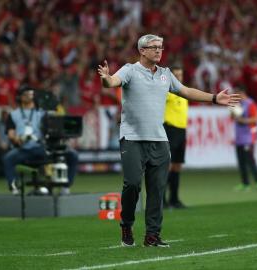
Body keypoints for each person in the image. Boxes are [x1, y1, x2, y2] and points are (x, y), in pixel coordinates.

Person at [97, 34, 240, 248]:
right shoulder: (130, 70)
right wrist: (106, 78)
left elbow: (185, 91)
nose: (158, 51)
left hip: (159, 140)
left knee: (157, 189)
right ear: (142, 50)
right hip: (133, 138)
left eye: (161, 47)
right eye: (154, 47)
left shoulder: (166, 75)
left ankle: (152, 236)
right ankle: (126, 224)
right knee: (133, 184)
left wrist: (213, 98)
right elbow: (112, 82)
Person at [2, 86, 79, 195]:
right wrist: (17, 139)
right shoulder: (14, 115)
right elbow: (10, 134)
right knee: (8, 158)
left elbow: (54, 128)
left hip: (42, 148)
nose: (29, 95)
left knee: (72, 155)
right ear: (20, 97)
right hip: (24, 150)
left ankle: (65, 186)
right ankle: (14, 188)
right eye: (26, 93)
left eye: (31, 93)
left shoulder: (43, 113)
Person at [163, 63, 188, 209]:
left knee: (177, 166)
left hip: (181, 131)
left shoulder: (183, 91)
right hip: (170, 130)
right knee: (166, 166)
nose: (179, 77)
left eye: (180, 75)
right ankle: (161, 200)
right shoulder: (167, 90)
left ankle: (174, 199)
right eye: (176, 75)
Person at [231, 86, 257, 191]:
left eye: (237, 93)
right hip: (239, 137)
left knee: (250, 161)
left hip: (248, 137)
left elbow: (256, 118)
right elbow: (233, 118)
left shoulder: (250, 104)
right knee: (241, 162)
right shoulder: (237, 104)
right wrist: (232, 113)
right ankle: (245, 183)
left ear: (242, 93)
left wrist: (243, 121)